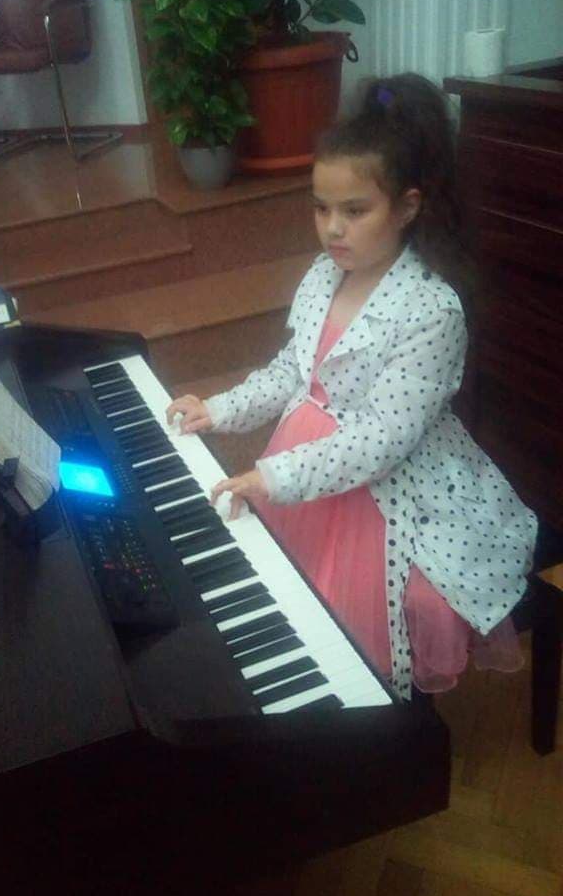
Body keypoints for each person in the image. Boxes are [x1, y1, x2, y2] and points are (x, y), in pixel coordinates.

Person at [165, 72, 537, 699]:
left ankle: (380, 723)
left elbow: (380, 440)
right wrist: (220, 409)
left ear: (408, 207)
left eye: (354, 211)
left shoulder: (431, 308)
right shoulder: (322, 275)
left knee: (390, 609)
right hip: (311, 458)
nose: (333, 228)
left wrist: (275, 478)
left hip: (395, 486)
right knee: (296, 592)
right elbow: (293, 370)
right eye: (321, 208)